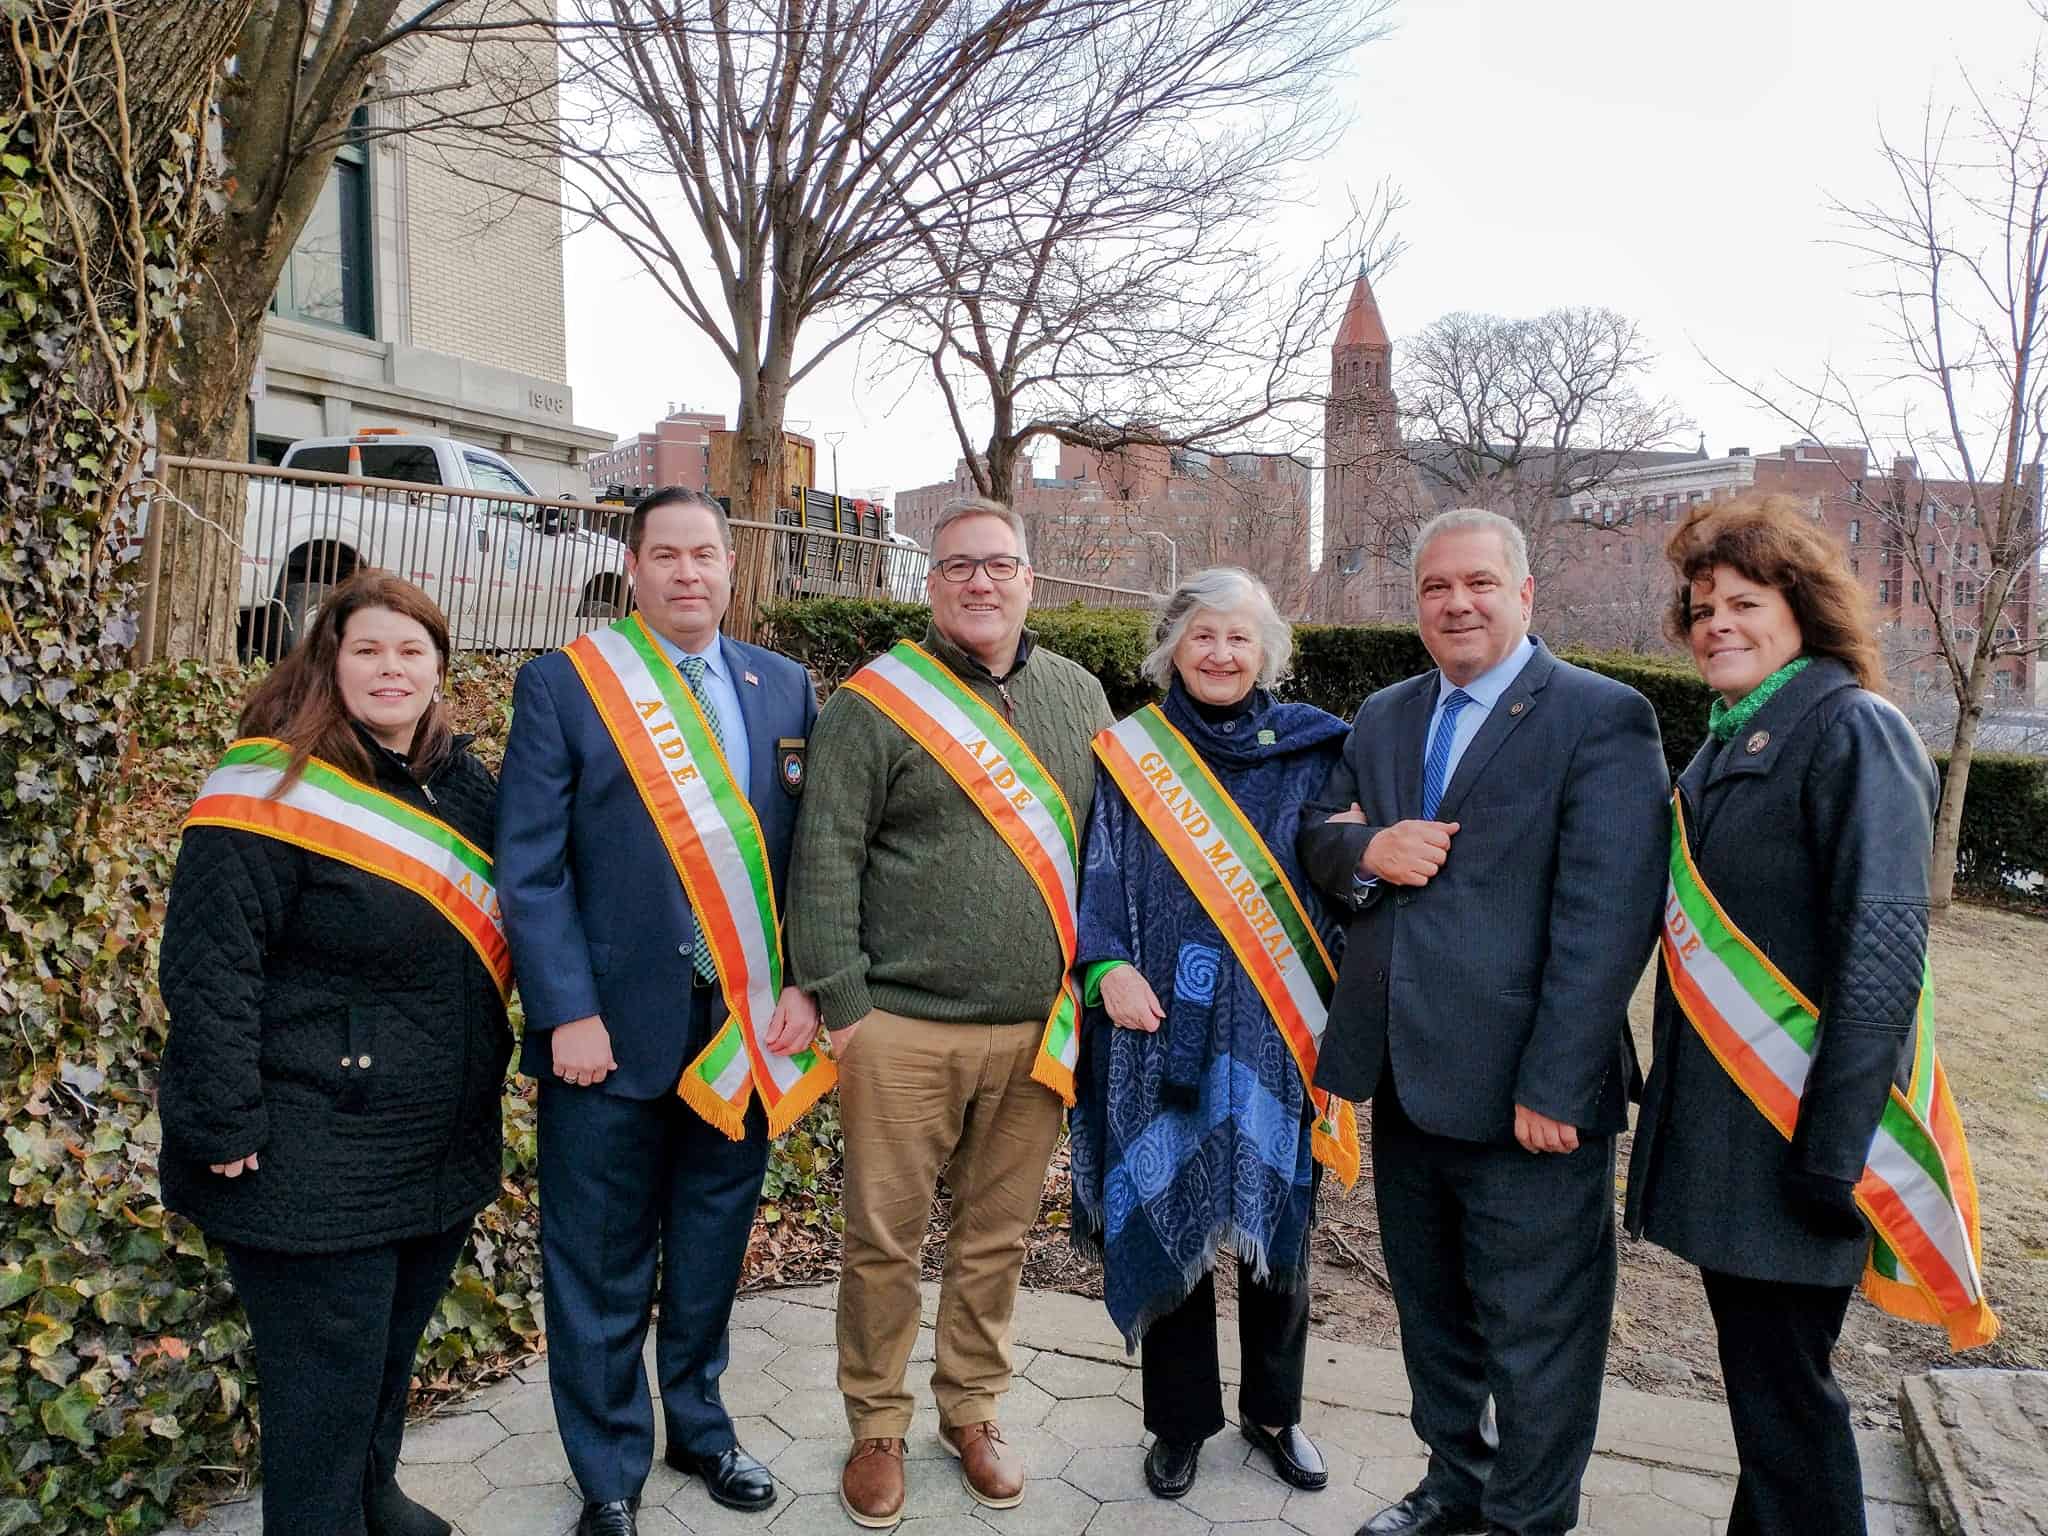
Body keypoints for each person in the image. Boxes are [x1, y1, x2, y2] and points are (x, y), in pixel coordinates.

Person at [1624, 492, 1997, 1536]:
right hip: (1738, 1136)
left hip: (1798, 1147)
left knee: (1784, 1405)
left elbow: (1880, 954)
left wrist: (1830, 1157)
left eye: (1742, 602)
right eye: (1699, 610)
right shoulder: (1730, 740)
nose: (1715, 627)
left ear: (1803, 612)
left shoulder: (1848, 730)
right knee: (1769, 1405)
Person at [1298, 508, 1670, 1536]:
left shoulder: (1600, 716)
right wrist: (1369, 851)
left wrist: (1556, 1082)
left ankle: (1524, 1519)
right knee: (1434, 1318)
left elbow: (1607, 918)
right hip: (1407, 1080)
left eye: (1477, 584)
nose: (1455, 604)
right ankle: (1452, 1485)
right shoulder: (1381, 716)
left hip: (1528, 1096)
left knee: (1538, 1336)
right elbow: (1318, 837)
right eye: (1433, 588)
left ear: (1522, 594)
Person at [496, 486, 830, 1536]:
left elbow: (809, 859)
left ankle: (699, 1425)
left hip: (740, 1028)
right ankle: (607, 1472)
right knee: (596, 1261)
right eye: (667, 555)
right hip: (605, 1030)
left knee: (706, 1246)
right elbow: (531, 867)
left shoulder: (782, 687)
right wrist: (564, 1013)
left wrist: (808, 986)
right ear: (632, 568)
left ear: (734, 568)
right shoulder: (565, 684)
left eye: (707, 556)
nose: (689, 574)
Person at [159, 572, 512, 1536]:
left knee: (389, 1350)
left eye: (411, 651)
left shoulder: (463, 780)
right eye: (368, 650)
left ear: (441, 667)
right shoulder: (268, 782)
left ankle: (374, 1495)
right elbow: (209, 965)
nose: (391, 669)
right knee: (324, 1379)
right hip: (314, 1140)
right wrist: (220, 1116)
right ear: (329, 661)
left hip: (436, 1139)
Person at [787, 496, 1115, 1529]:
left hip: (1034, 1030)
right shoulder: (873, 703)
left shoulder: (1081, 697)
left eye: (999, 565)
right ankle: (874, 1426)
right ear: (928, 584)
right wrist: (845, 1008)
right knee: (882, 1241)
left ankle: (970, 1410)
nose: (980, 582)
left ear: (1030, 580)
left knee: (995, 1238)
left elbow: (1111, 856)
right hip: (901, 1029)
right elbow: (825, 854)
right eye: (958, 566)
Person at [1071, 568, 1358, 1502]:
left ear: (1268, 650)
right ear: (1170, 649)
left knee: (1280, 1221)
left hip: (1280, 1025)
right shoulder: (1131, 753)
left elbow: (1344, 874)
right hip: (1161, 1023)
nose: (1222, 654)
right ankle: (1179, 1422)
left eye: (1240, 638)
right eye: (1203, 637)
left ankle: (1276, 1414)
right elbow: (1099, 875)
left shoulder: (1320, 750)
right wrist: (1107, 968)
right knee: (1170, 1204)